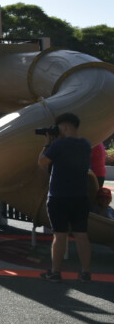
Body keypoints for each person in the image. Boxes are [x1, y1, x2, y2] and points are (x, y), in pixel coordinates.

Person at [38, 113, 93, 282]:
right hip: (80, 196)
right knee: (81, 235)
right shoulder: (86, 144)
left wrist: (47, 143)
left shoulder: (58, 145)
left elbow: (41, 162)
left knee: (59, 235)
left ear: (65, 126)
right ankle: (85, 273)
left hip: (59, 197)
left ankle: (55, 272)